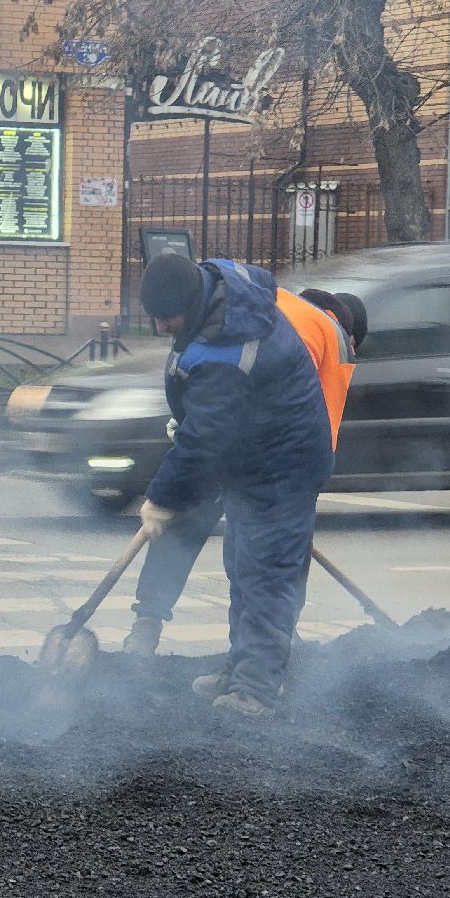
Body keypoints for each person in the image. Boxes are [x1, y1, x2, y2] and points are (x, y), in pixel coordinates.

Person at [131, 251, 335, 718]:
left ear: (191, 301)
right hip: (248, 461)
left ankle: (256, 692)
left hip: (280, 468)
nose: (162, 327)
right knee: (244, 569)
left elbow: (203, 438)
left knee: (266, 577)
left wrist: (161, 498)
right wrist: (188, 416)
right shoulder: (215, 286)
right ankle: (240, 671)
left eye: (168, 318)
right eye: (155, 318)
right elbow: (205, 419)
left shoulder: (228, 348)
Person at [122, 285, 367, 660]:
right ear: (351, 335)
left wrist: (188, 423)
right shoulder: (334, 340)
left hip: (216, 433)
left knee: (180, 525)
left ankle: (145, 628)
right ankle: (277, 640)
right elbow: (320, 436)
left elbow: (199, 361)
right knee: (281, 551)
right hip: (263, 460)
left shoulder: (265, 302)